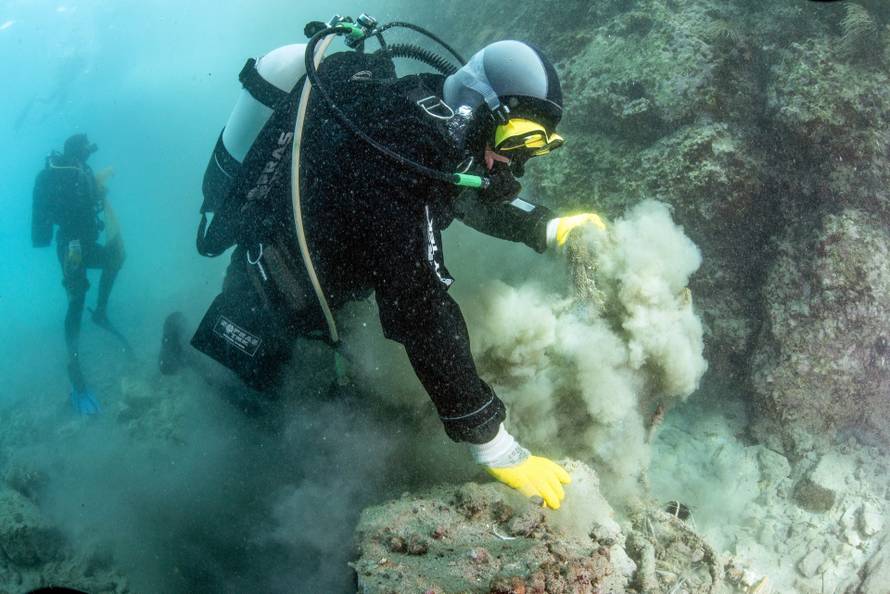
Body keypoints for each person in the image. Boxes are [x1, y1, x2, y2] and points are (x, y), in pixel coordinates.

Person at [192, 20, 605, 510]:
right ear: (478, 108)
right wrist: (492, 442)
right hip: (268, 306)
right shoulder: (395, 155)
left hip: (333, 296)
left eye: (536, 148)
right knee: (264, 433)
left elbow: (469, 190)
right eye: (517, 141)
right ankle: (182, 359)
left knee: (352, 409)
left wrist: (546, 226)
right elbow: (418, 308)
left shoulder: (432, 112)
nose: (514, 165)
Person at [32, 133, 127, 415]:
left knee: (116, 258)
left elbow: (88, 203)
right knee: (76, 300)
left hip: (84, 244)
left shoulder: (81, 172)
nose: (90, 152)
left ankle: (100, 312)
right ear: (78, 151)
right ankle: (76, 378)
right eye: (86, 148)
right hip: (71, 248)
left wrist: (97, 194)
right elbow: (58, 215)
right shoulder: (62, 175)